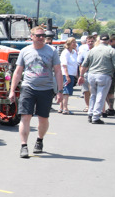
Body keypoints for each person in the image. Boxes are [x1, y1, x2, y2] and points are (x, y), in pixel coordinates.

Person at [9, 25, 62, 158]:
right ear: (31, 37)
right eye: (38, 36)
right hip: (28, 87)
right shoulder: (24, 51)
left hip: (46, 88)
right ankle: (24, 146)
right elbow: (18, 72)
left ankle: (39, 140)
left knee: (43, 118)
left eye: (43, 36)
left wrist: (60, 91)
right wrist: (12, 90)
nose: (41, 38)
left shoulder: (52, 51)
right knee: (25, 116)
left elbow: (58, 71)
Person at [80, 34, 115, 125]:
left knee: (93, 95)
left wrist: (81, 75)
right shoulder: (111, 50)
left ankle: (90, 113)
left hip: (92, 75)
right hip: (104, 75)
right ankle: (96, 116)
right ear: (108, 41)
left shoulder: (92, 50)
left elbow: (84, 64)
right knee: (100, 96)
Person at [76, 33, 96, 111]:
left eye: (92, 41)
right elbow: (80, 63)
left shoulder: (97, 51)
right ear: (86, 42)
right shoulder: (83, 51)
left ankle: (93, 106)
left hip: (94, 73)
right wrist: (80, 75)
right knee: (86, 91)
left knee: (93, 90)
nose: (90, 43)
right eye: (89, 41)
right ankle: (88, 106)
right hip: (85, 73)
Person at [58, 37, 78, 115]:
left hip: (72, 73)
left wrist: (77, 75)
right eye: (73, 42)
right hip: (66, 74)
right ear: (69, 43)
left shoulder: (73, 52)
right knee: (66, 91)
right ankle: (65, 108)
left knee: (66, 91)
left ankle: (61, 107)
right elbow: (64, 65)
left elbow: (75, 64)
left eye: (75, 42)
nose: (75, 44)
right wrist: (67, 76)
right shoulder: (65, 52)